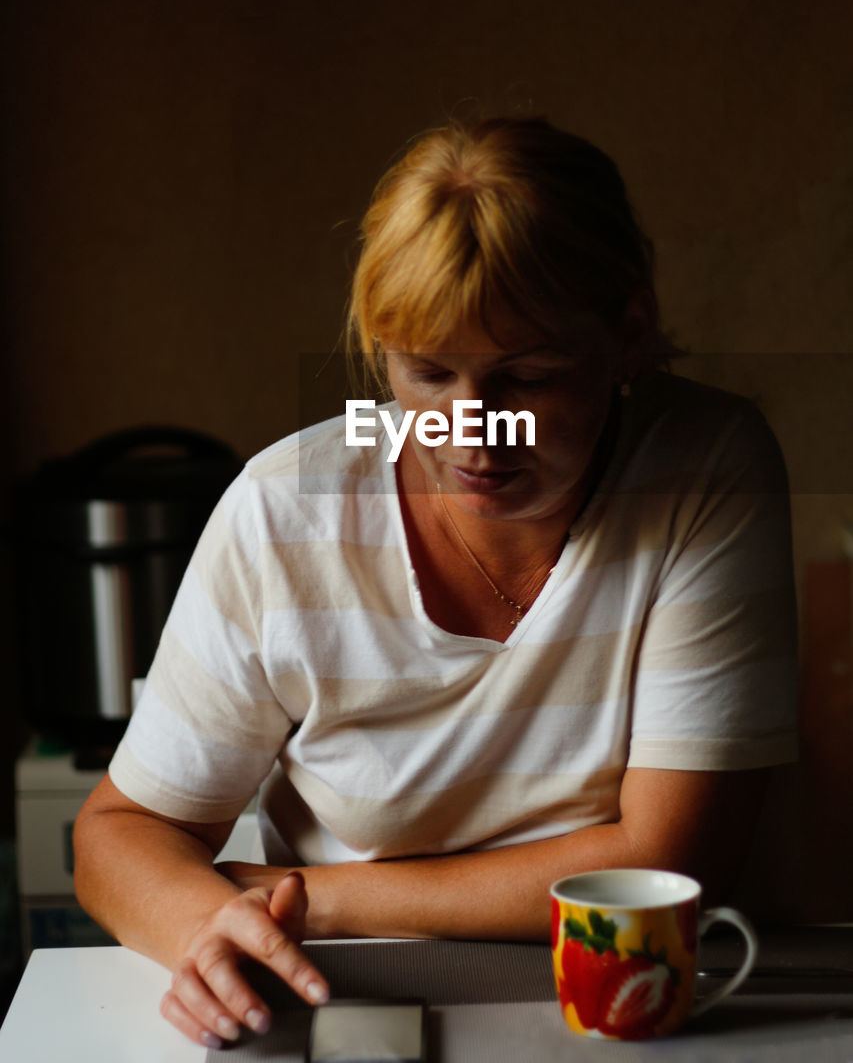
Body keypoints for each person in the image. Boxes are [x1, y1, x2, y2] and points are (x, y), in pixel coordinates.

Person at [74, 116, 798, 1051]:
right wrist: (203, 929)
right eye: (427, 372)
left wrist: (305, 899)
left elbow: (664, 857)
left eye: (526, 379)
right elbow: (120, 832)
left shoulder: (705, 466)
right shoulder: (286, 508)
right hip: (349, 1008)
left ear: (627, 330)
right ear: (382, 349)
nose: (471, 433)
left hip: (625, 1010)